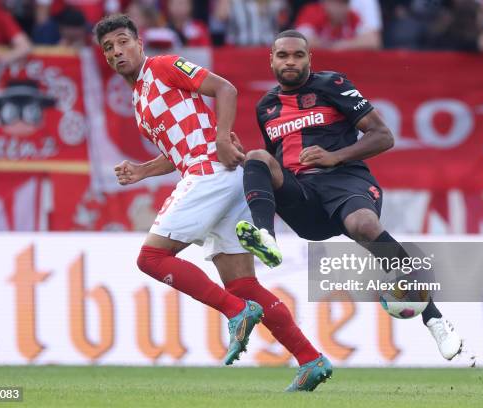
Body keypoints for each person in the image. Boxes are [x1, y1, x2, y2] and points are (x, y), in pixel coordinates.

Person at [93, 15, 332, 391]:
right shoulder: (140, 104)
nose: (116, 51)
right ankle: (310, 359)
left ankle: (236, 313)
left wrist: (222, 137)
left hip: (211, 172)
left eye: (123, 42)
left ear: (140, 43)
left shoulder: (163, 66)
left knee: (151, 259)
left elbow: (226, 89)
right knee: (243, 284)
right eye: (108, 48)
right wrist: (142, 170)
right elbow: (178, 151)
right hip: (219, 176)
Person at [236, 29, 466, 363]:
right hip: (303, 197)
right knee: (256, 157)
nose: (290, 61)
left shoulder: (332, 85)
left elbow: (383, 136)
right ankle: (266, 238)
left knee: (362, 224)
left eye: (298, 55)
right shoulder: (266, 107)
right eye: (283, 55)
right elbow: (275, 161)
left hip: (344, 181)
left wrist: (335, 156)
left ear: (309, 59)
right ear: (270, 59)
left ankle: (435, 319)